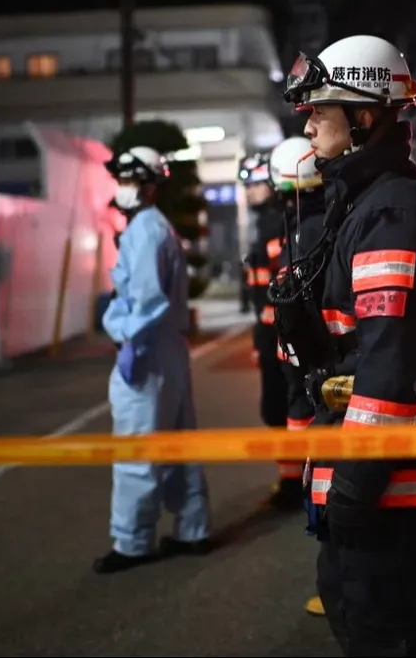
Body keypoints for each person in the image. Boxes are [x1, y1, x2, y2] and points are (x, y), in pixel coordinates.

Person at [273, 35, 416, 656]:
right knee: (367, 619)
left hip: (387, 491)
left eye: (320, 110)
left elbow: (389, 376)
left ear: (364, 116)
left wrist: (354, 493)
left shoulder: (394, 212)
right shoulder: (360, 202)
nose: (307, 122)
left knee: (389, 636)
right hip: (370, 481)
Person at [94, 146, 212, 575]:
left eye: (127, 181)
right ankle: (192, 528)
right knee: (180, 443)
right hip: (169, 349)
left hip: (145, 349)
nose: (122, 189)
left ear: (146, 185)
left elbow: (144, 300)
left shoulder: (143, 231)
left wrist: (126, 339)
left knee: (137, 447)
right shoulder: (157, 227)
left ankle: (132, 541)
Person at [267, 135, 330, 618]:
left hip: (324, 372)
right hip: (320, 366)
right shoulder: (326, 215)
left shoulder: (307, 230)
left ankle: (344, 591)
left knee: (335, 489)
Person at [239, 150, 300, 509]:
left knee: (283, 405)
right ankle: (292, 476)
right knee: (279, 406)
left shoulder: (275, 222)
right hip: (269, 327)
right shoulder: (266, 221)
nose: (249, 191)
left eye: (255, 183)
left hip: (276, 328)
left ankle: (294, 480)